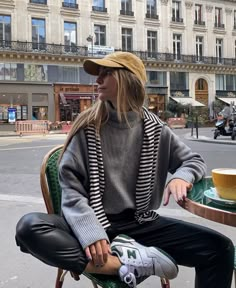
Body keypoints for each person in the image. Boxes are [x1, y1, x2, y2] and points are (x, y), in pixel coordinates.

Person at [15, 52, 234, 288]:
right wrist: (91, 231)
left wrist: (181, 177)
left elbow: (193, 161)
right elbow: (72, 190)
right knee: (29, 228)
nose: (98, 80)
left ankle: (134, 259)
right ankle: (126, 265)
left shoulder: (156, 129)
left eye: (106, 73)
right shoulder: (86, 127)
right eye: (98, 74)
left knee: (220, 249)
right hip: (95, 221)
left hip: (142, 224)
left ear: (127, 80)